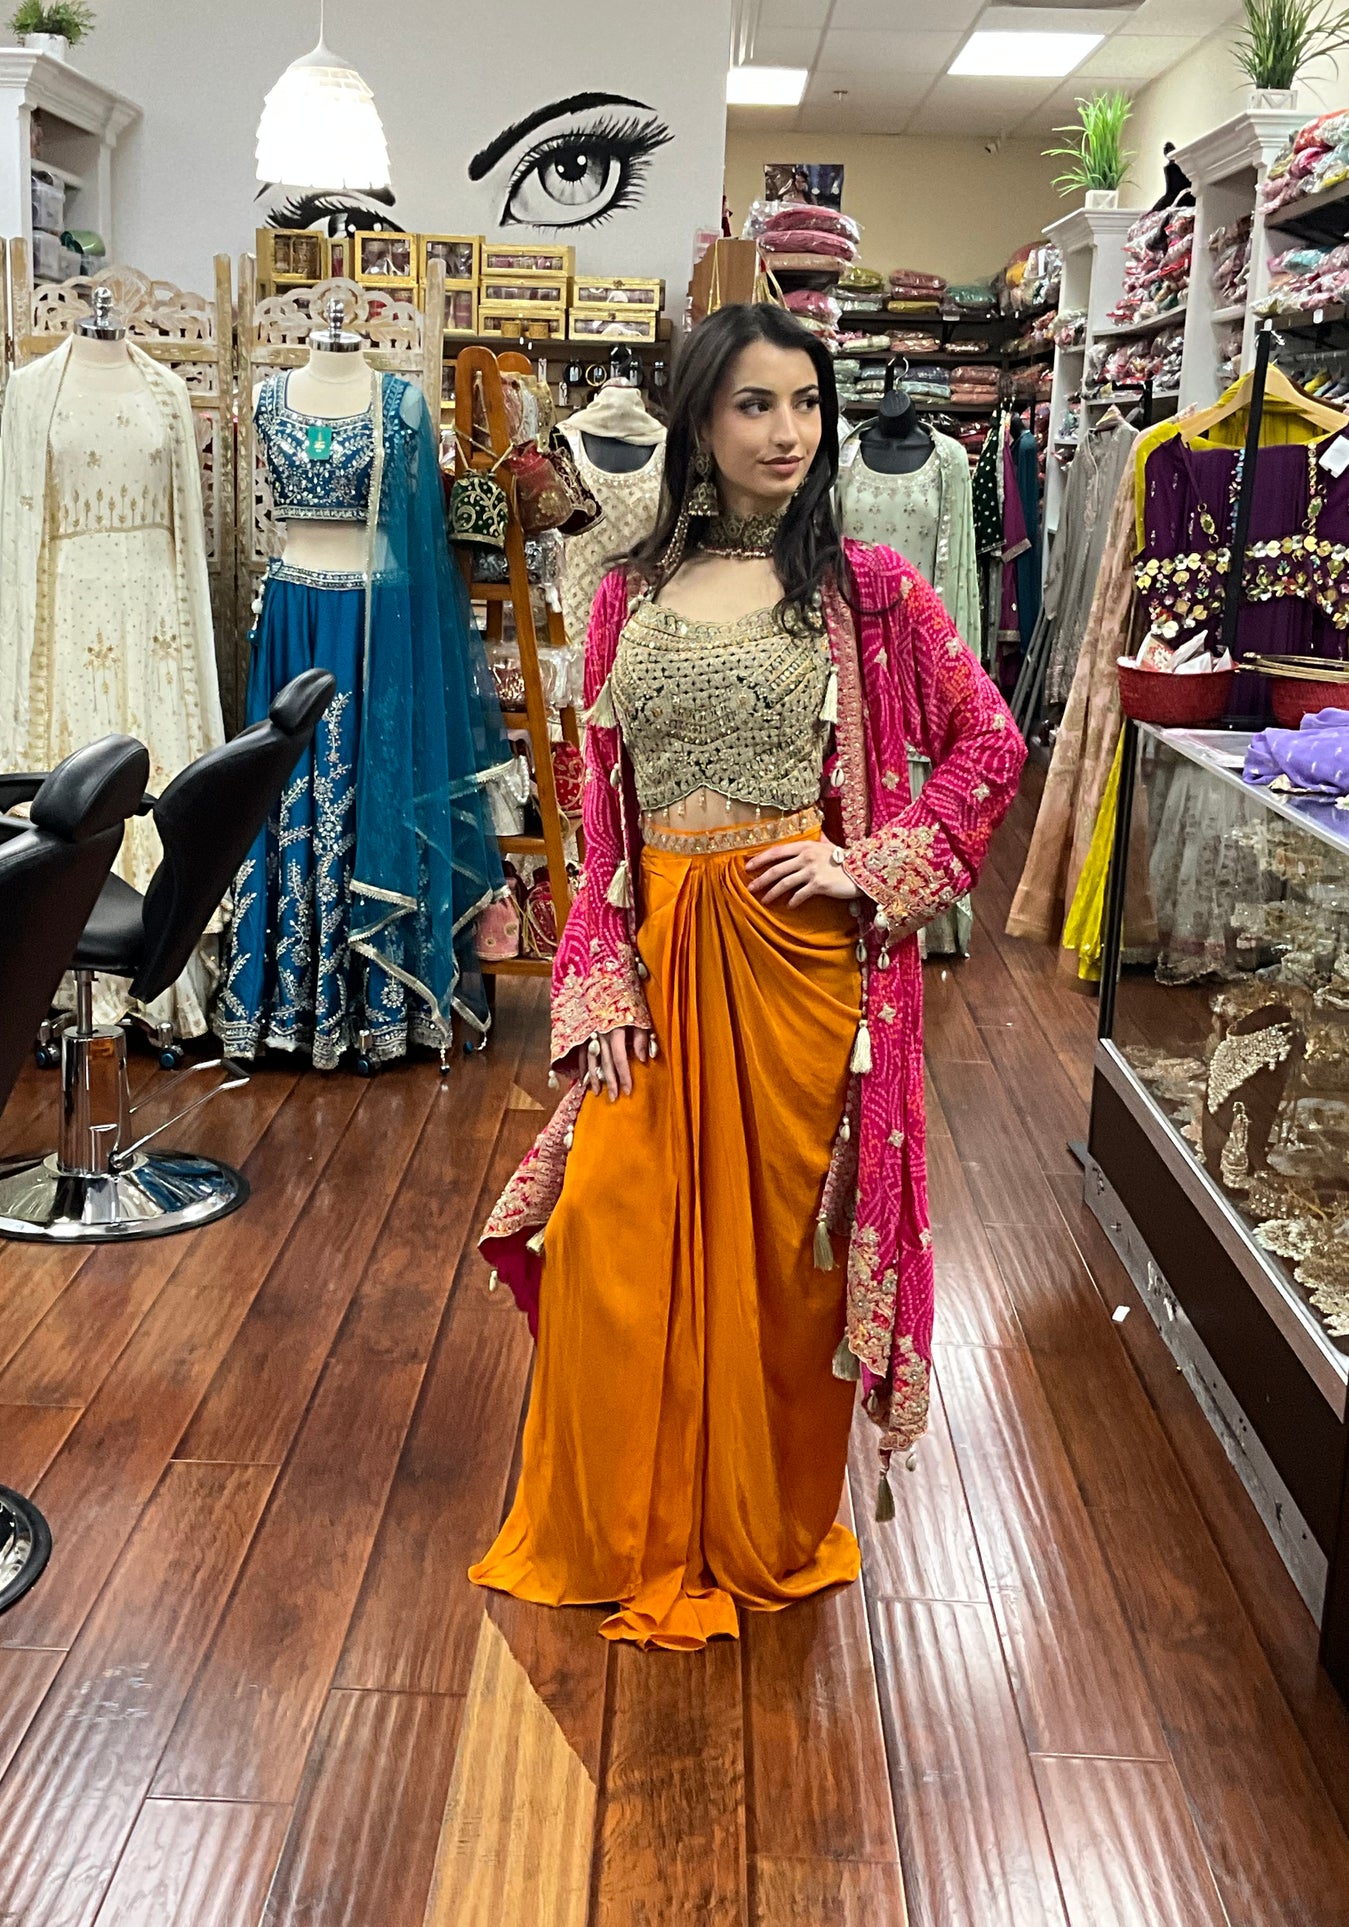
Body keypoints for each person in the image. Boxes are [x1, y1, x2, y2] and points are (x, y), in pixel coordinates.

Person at [470, 303, 1025, 1650]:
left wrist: (876, 864)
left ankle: (759, 1525)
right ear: (698, 424)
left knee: (785, 1269)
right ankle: (622, 1528)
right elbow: (591, 799)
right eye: (754, 406)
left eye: (805, 405)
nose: (787, 434)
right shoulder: (624, 594)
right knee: (606, 1229)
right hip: (659, 956)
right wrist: (595, 975)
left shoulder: (869, 590)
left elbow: (986, 744)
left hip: (799, 974)